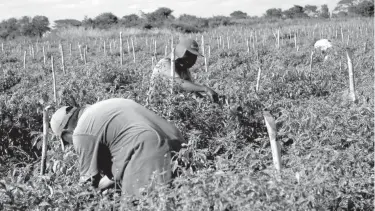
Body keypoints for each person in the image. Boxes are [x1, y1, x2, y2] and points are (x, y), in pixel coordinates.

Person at [50, 98, 186, 197]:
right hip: (179, 144)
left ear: (66, 132)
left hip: (148, 150)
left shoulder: (80, 132)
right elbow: (120, 165)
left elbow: (88, 182)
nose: (70, 145)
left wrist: (71, 201)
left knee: (136, 203)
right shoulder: (105, 107)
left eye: (66, 141)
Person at [150, 37, 219, 102]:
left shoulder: (183, 69)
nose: (194, 61)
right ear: (183, 54)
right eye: (192, 57)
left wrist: (205, 101)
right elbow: (179, 83)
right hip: (158, 106)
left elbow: (190, 91)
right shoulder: (165, 63)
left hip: (174, 104)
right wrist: (205, 89)